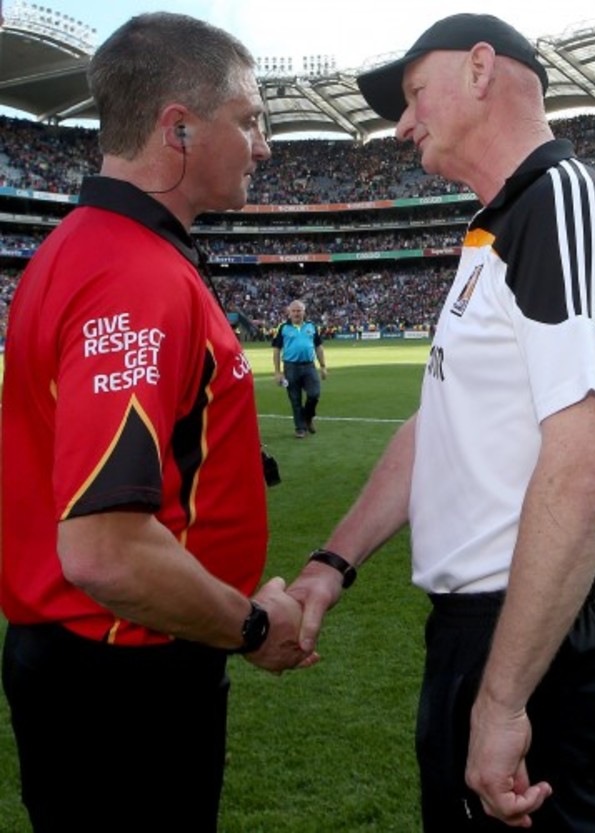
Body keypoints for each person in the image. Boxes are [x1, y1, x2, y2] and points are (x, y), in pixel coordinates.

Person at [288, 12, 595, 833]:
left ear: (482, 69)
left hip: (539, 641)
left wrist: (503, 697)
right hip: (487, 636)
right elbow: (438, 424)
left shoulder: (561, 205)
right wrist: (330, 563)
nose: (403, 122)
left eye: (415, 94)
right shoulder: (493, 229)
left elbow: (594, 464)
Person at [0, 13, 316, 833]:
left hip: (93, 672)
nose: (265, 146)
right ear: (178, 128)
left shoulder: (88, 249)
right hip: (123, 681)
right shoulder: (132, 276)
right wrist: (251, 625)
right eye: (249, 121)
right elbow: (103, 549)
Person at [272, 299, 327, 438]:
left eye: (299, 310)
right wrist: (277, 372)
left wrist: (323, 366)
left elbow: (319, 347)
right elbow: (277, 350)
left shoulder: (311, 326)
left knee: (314, 394)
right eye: (294, 311)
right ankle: (300, 428)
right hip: (291, 367)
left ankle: (307, 417)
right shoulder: (283, 327)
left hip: (309, 366)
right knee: (295, 399)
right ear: (289, 312)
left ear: (304, 312)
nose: (296, 313)